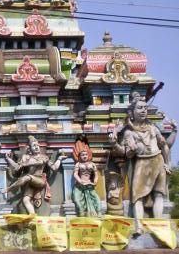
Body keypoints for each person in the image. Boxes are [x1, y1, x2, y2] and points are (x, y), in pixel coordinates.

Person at [110, 96, 177, 232]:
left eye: (145, 108)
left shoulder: (153, 127)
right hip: (141, 163)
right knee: (137, 196)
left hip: (158, 161)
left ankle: (158, 225)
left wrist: (168, 163)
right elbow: (125, 153)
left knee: (159, 194)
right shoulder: (129, 132)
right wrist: (115, 143)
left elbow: (164, 145)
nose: (143, 110)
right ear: (132, 112)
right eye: (140, 108)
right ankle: (139, 226)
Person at [1, 136, 67, 214]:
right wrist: (9, 159)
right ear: (30, 148)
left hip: (39, 180)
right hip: (30, 182)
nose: (36, 147)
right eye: (34, 146)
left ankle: (8, 189)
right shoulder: (27, 158)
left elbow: (54, 168)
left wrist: (59, 159)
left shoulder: (44, 157)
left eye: (37, 145)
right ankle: (32, 215)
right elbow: (17, 167)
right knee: (25, 199)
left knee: (27, 177)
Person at [72, 144, 101, 217]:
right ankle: (82, 213)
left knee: (96, 199)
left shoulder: (92, 164)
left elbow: (96, 174)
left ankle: (98, 212)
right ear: (79, 156)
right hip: (79, 186)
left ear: (88, 155)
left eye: (86, 154)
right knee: (77, 200)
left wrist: (95, 181)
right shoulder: (78, 164)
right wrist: (80, 181)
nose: (84, 156)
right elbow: (75, 174)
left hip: (89, 185)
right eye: (82, 155)